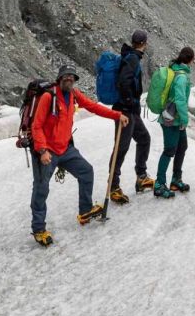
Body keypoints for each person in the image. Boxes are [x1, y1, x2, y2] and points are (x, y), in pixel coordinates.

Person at [30, 65, 129, 246]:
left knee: (86, 171)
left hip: (65, 149)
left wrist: (117, 115)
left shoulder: (74, 95)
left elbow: (93, 107)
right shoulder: (48, 97)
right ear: (59, 78)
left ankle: (85, 211)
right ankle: (38, 229)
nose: (69, 79)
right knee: (41, 188)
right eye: (66, 76)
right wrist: (43, 150)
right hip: (47, 151)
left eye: (72, 77)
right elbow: (36, 126)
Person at [109, 29, 154, 204]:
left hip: (130, 110)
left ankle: (141, 177)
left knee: (144, 139)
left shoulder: (130, 56)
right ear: (144, 43)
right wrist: (128, 102)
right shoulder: (133, 58)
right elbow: (124, 82)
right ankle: (113, 186)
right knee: (121, 147)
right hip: (125, 111)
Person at [154, 47, 195, 198]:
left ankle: (176, 179)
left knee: (182, 147)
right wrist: (185, 119)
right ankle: (159, 184)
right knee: (169, 150)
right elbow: (180, 99)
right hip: (172, 120)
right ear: (191, 59)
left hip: (172, 118)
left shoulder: (174, 70)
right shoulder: (182, 77)